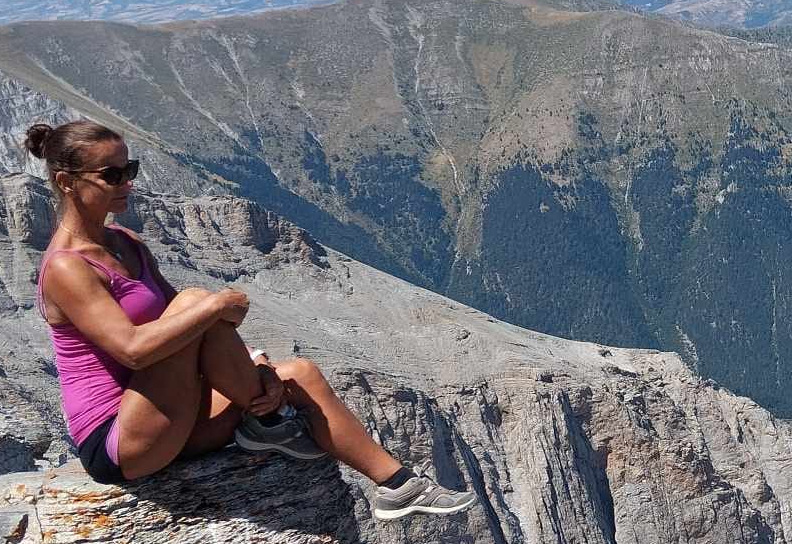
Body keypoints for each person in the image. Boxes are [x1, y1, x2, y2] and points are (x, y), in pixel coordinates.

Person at [26, 117, 471, 518]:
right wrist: (216, 307)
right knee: (198, 302)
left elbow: (189, 334)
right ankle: (271, 420)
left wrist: (255, 364)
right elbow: (134, 350)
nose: (127, 183)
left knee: (300, 375)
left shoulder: (125, 242)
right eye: (112, 175)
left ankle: (398, 487)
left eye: (131, 170)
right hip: (120, 439)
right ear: (66, 182)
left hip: (166, 412)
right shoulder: (67, 267)